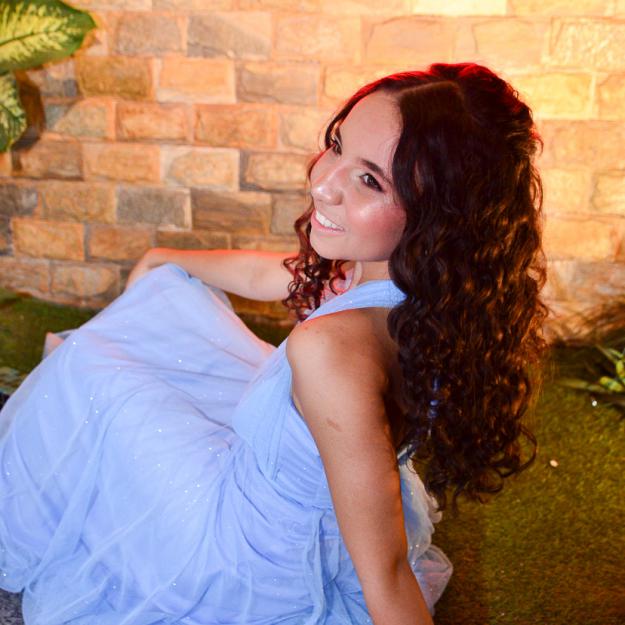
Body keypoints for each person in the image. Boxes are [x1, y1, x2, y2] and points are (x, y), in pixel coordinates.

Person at [0, 62, 548, 625]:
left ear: (439, 214)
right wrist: (165, 259)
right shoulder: (431, 296)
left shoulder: (332, 350)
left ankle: (60, 401)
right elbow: (271, 274)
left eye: (370, 181)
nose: (323, 183)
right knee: (155, 319)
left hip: (242, 561)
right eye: (337, 146)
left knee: (91, 368)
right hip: (307, 508)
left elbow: (385, 573)